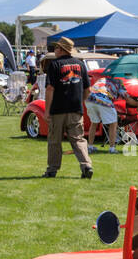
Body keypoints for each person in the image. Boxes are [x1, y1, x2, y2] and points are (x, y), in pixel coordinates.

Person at [42, 37, 93, 178]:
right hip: (75, 110)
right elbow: (88, 90)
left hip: (58, 110)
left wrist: (47, 110)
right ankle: (86, 165)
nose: (55, 50)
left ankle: (52, 170)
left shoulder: (55, 65)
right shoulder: (80, 64)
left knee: (54, 141)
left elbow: (50, 88)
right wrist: (80, 102)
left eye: (56, 47)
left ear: (61, 49)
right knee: (78, 139)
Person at [84, 73, 121, 152]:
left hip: (89, 99)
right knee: (113, 123)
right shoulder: (118, 83)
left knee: (94, 122)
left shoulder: (101, 79)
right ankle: (112, 148)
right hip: (101, 98)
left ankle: (90, 147)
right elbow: (115, 96)